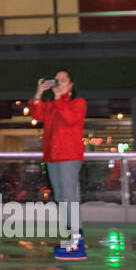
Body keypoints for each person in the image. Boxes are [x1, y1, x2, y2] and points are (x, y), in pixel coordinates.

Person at [30, 70, 87, 260]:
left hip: (69, 156)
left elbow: (70, 118)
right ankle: (70, 237)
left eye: (63, 80)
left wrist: (59, 98)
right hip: (53, 157)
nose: (59, 83)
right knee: (62, 198)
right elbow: (37, 114)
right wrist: (39, 94)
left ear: (71, 86)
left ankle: (77, 242)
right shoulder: (53, 105)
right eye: (57, 80)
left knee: (69, 197)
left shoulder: (77, 103)